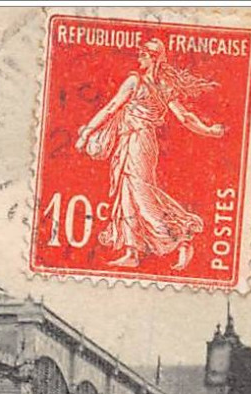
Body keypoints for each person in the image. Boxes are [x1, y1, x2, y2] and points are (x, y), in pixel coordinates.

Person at [75, 39, 226, 270]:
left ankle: (180, 239)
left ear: (152, 57)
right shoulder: (163, 86)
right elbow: (185, 117)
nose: (139, 59)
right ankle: (132, 250)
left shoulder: (135, 81)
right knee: (127, 194)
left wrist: (86, 132)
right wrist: (208, 130)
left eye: (143, 55)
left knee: (141, 195)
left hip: (138, 141)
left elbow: (110, 108)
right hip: (133, 141)